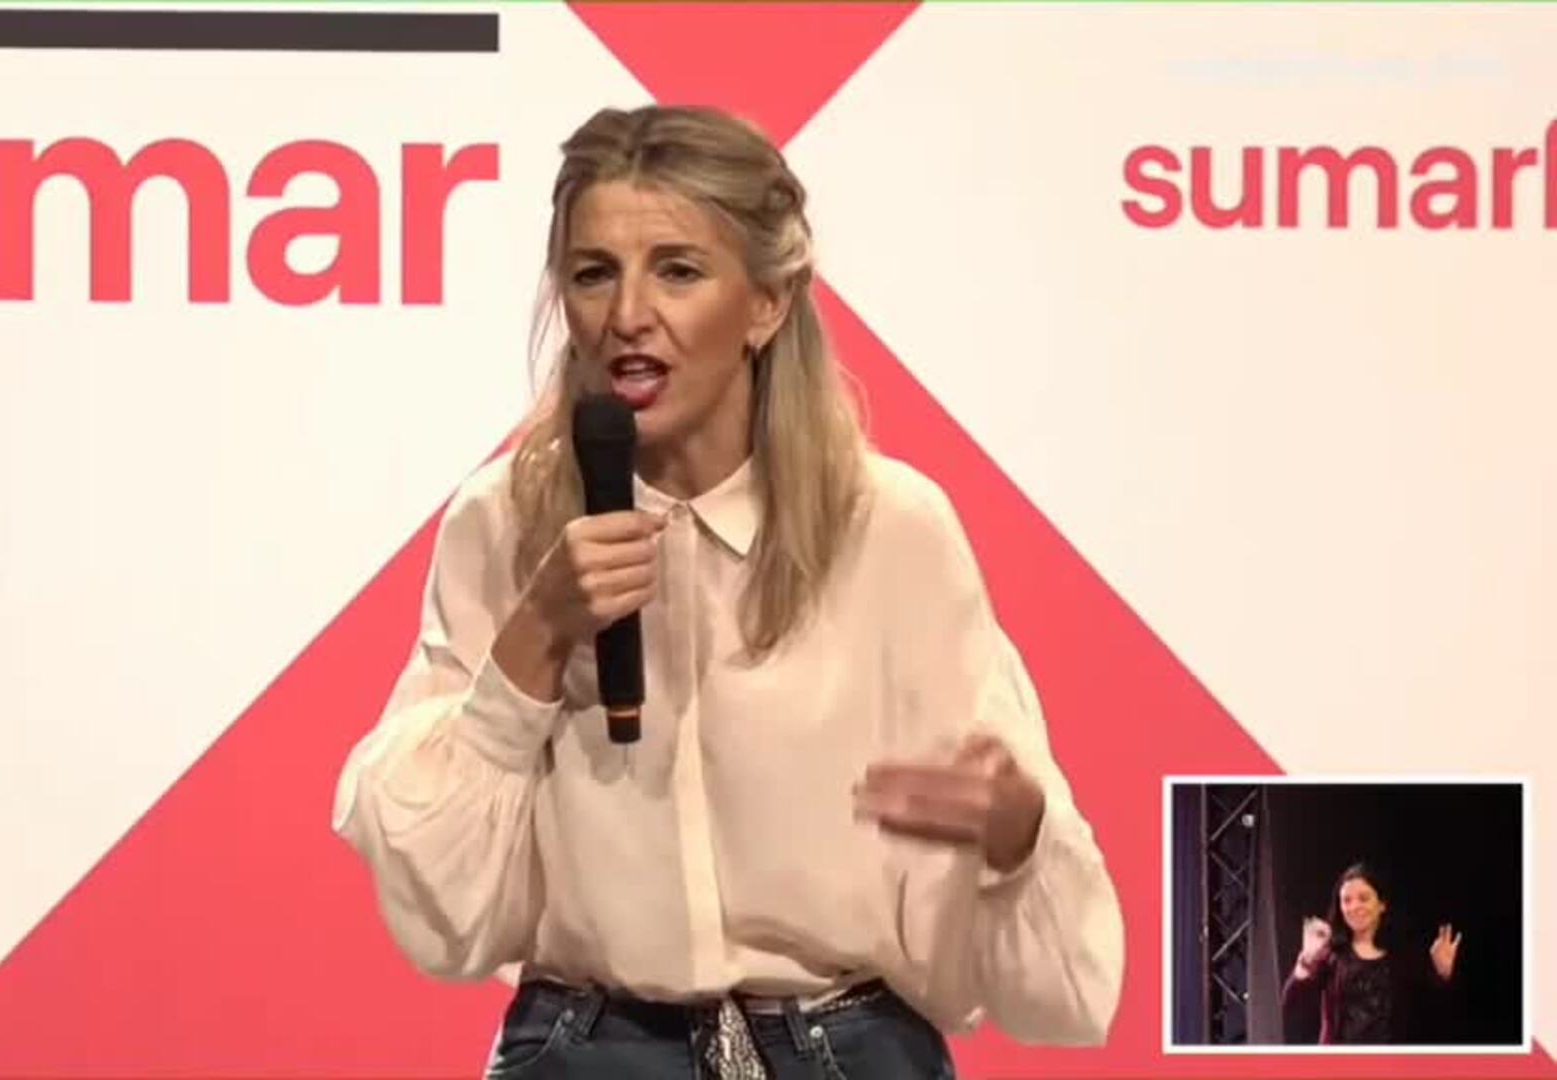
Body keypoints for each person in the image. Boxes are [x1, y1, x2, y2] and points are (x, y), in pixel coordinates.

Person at [331, 103, 1125, 1079]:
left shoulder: (892, 530)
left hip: (848, 1049)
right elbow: (446, 914)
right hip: (588, 1049)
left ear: (766, 303)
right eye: (593, 273)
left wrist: (1013, 833)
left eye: (677, 270)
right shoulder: (503, 522)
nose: (627, 315)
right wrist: (538, 635)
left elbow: (1056, 974)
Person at [1282, 861, 1462, 1045]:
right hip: (1339, 1062)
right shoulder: (1330, 954)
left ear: (1382, 904)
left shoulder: (1402, 956)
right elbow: (1293, 1005)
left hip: (1390, 1061)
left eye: (1363, 898)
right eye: (1346, 900)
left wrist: (1442, 973)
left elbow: (1433, 1015)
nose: (1354, 907)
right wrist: (1306, 961)